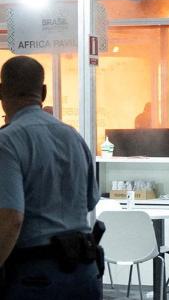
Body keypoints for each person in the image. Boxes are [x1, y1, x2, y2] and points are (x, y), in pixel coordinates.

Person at [0, 56, 102, 298]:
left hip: (34, 277)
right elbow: (90, 200)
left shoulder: (7, 142)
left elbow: (11, 219)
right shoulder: (73, 137)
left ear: (1, 91)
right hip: (84, 273)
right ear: (43, 92)